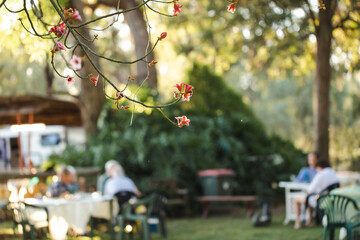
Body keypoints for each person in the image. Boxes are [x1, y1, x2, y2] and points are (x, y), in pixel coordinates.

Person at [294, 159, 339, 229]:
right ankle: (309, 220)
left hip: (320, 200)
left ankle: (298, 222)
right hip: (332, 200)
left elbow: (310, 190)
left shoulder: (320, 174)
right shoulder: (333, 173)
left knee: (297, 199)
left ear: (319, 167)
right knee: (309, 198)